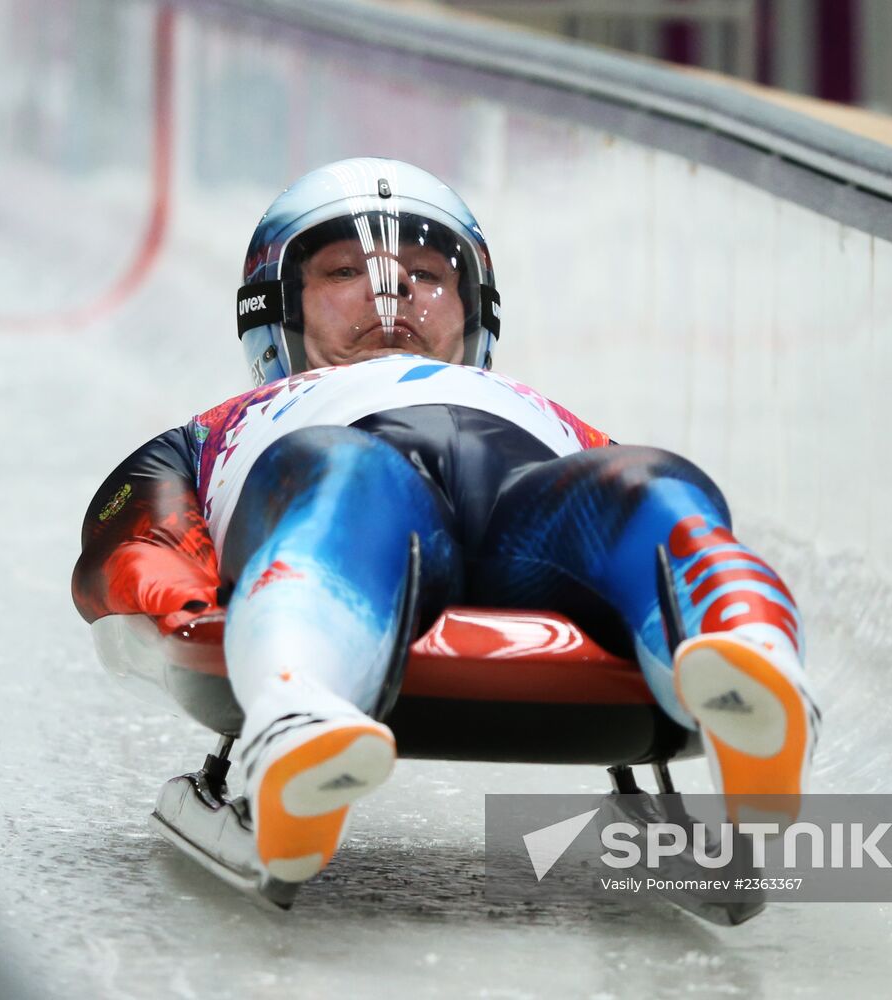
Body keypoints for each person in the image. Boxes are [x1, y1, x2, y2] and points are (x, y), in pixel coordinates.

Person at [72, 157, 819, 889]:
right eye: (342, 273)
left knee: (651, 482)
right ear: (277, 311)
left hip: (527, 499)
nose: (392, 287)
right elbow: (139, 538)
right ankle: (297, 712)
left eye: (427, 275)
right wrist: (193, 611)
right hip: (359, 494)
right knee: (343, 479)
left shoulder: (548, 413)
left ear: (474, 309)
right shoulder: (220, 429)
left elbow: (651, 513)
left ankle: (749, 663)